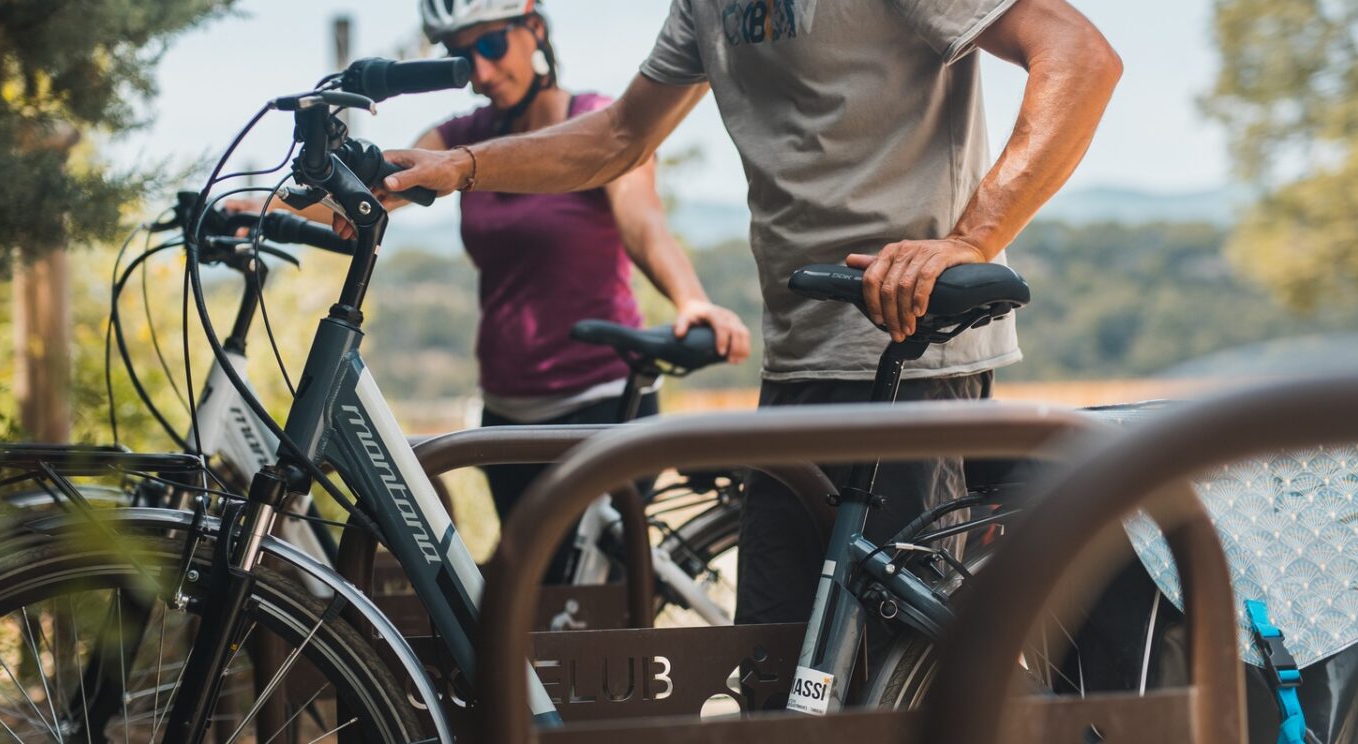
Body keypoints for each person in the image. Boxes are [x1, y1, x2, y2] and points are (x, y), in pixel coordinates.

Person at [380, 0, 1122, 625]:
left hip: (908, 356)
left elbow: (1080, 58)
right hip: (797, 359)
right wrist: (466, 169)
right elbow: (619, 137)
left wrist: (973, 239)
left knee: (884, 676)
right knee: (771, 664)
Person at [244, 0, 751, 576]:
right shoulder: (461, 136)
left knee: (580, 603)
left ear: (534, 30)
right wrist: (254, 205)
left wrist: (689, 297)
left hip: (600, 403)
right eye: (463, 55)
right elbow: (374, 184)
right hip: (507, 410)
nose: (480, 72)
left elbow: (642, 220)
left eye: (491, 46)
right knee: (531, 605)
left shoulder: (593, 120)